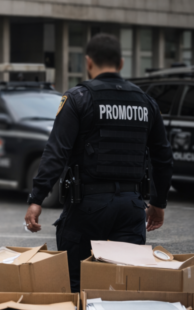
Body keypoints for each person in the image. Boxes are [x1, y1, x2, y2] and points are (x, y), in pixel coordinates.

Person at [23, 34, 173, 292]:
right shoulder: (146, 102)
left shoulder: (78, 98)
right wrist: (158, 203)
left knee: (77, 284)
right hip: (131, 206)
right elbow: (163, 156)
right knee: (124, 286)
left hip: (87, 207)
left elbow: (57, 151)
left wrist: (37, 198)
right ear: (121, 63)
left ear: (88, 62)